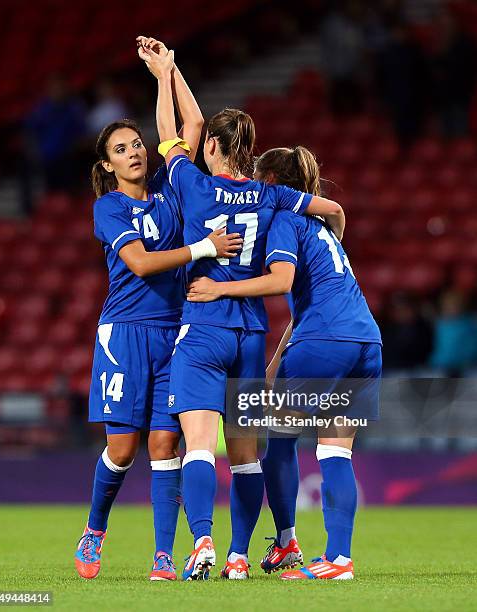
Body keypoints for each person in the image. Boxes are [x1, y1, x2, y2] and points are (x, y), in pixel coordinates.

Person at [143, 47, 345, 580]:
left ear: (211, 145)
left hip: (205, 326)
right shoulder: (269, 195)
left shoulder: (192, 182)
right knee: (248, 454)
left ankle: (202, 542)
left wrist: (165, 77)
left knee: (200, 447)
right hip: (252, 333)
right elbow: (327, 210)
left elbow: (171, 130)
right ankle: (238, 555)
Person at [74, 38, 243, 582]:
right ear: (108, 164)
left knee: (165, 442)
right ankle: (95, 528)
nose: (135, 151)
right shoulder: (108, 207)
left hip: (175, 332)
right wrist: (202, 249)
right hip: (123, 332)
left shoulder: (172, 190)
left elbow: (190, 129)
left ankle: (164, 554)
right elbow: (143, 264)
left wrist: (168, 74)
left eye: (137, 144)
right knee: (121, 449)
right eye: (121, 149)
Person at [187, 145, 382, 580]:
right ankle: (340, 560)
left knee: (278, 439)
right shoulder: (323, 228)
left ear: (270, 183)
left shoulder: (283, 221)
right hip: (365, 338)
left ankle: (286, 540)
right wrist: (276, 362)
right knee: (334, 451)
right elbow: (304, 305)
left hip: (324, 340)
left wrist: (218, 290)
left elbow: (282, 281)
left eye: (259, 178)